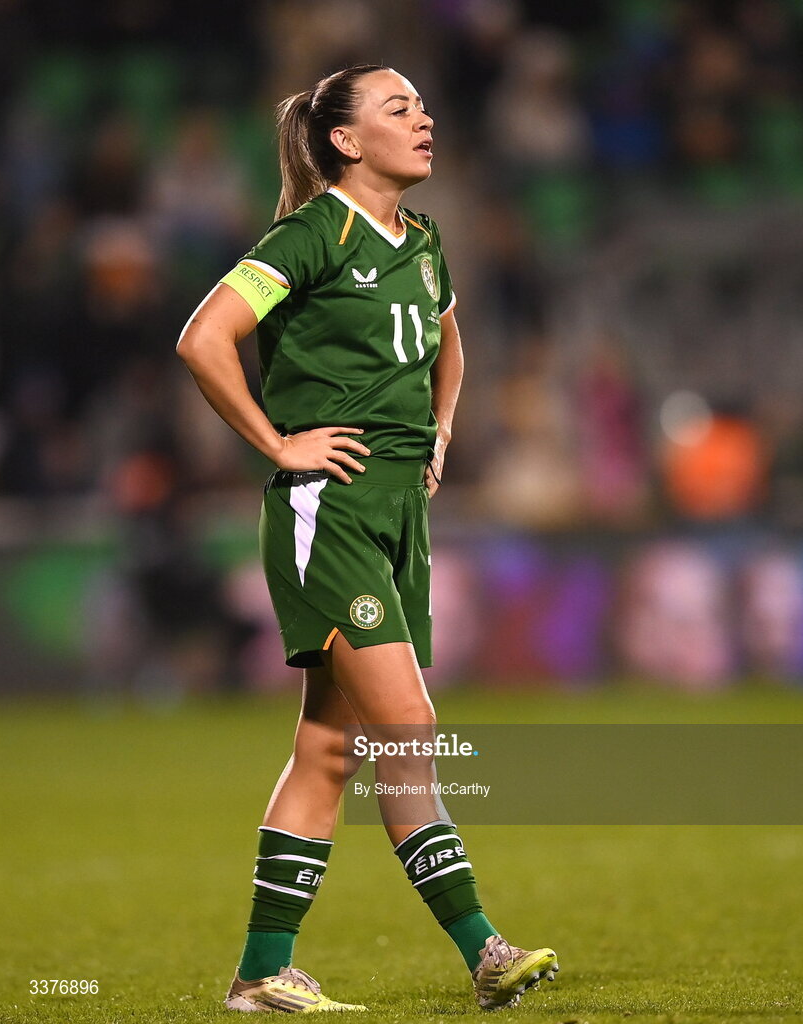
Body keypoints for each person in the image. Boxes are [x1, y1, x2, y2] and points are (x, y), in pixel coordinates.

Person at [177, 63, 558, 1013]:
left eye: (425, 104)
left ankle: (264, 975)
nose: (424, 119)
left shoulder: (422, 241)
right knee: (409, 728)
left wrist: (441, 429)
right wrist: (278, 443)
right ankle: (485, 949)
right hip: (331, 510)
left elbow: (448, 338)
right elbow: (203, 337)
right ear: (346, 140)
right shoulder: (309, 235)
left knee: (327, 749)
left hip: (397, 513)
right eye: (399, 109)